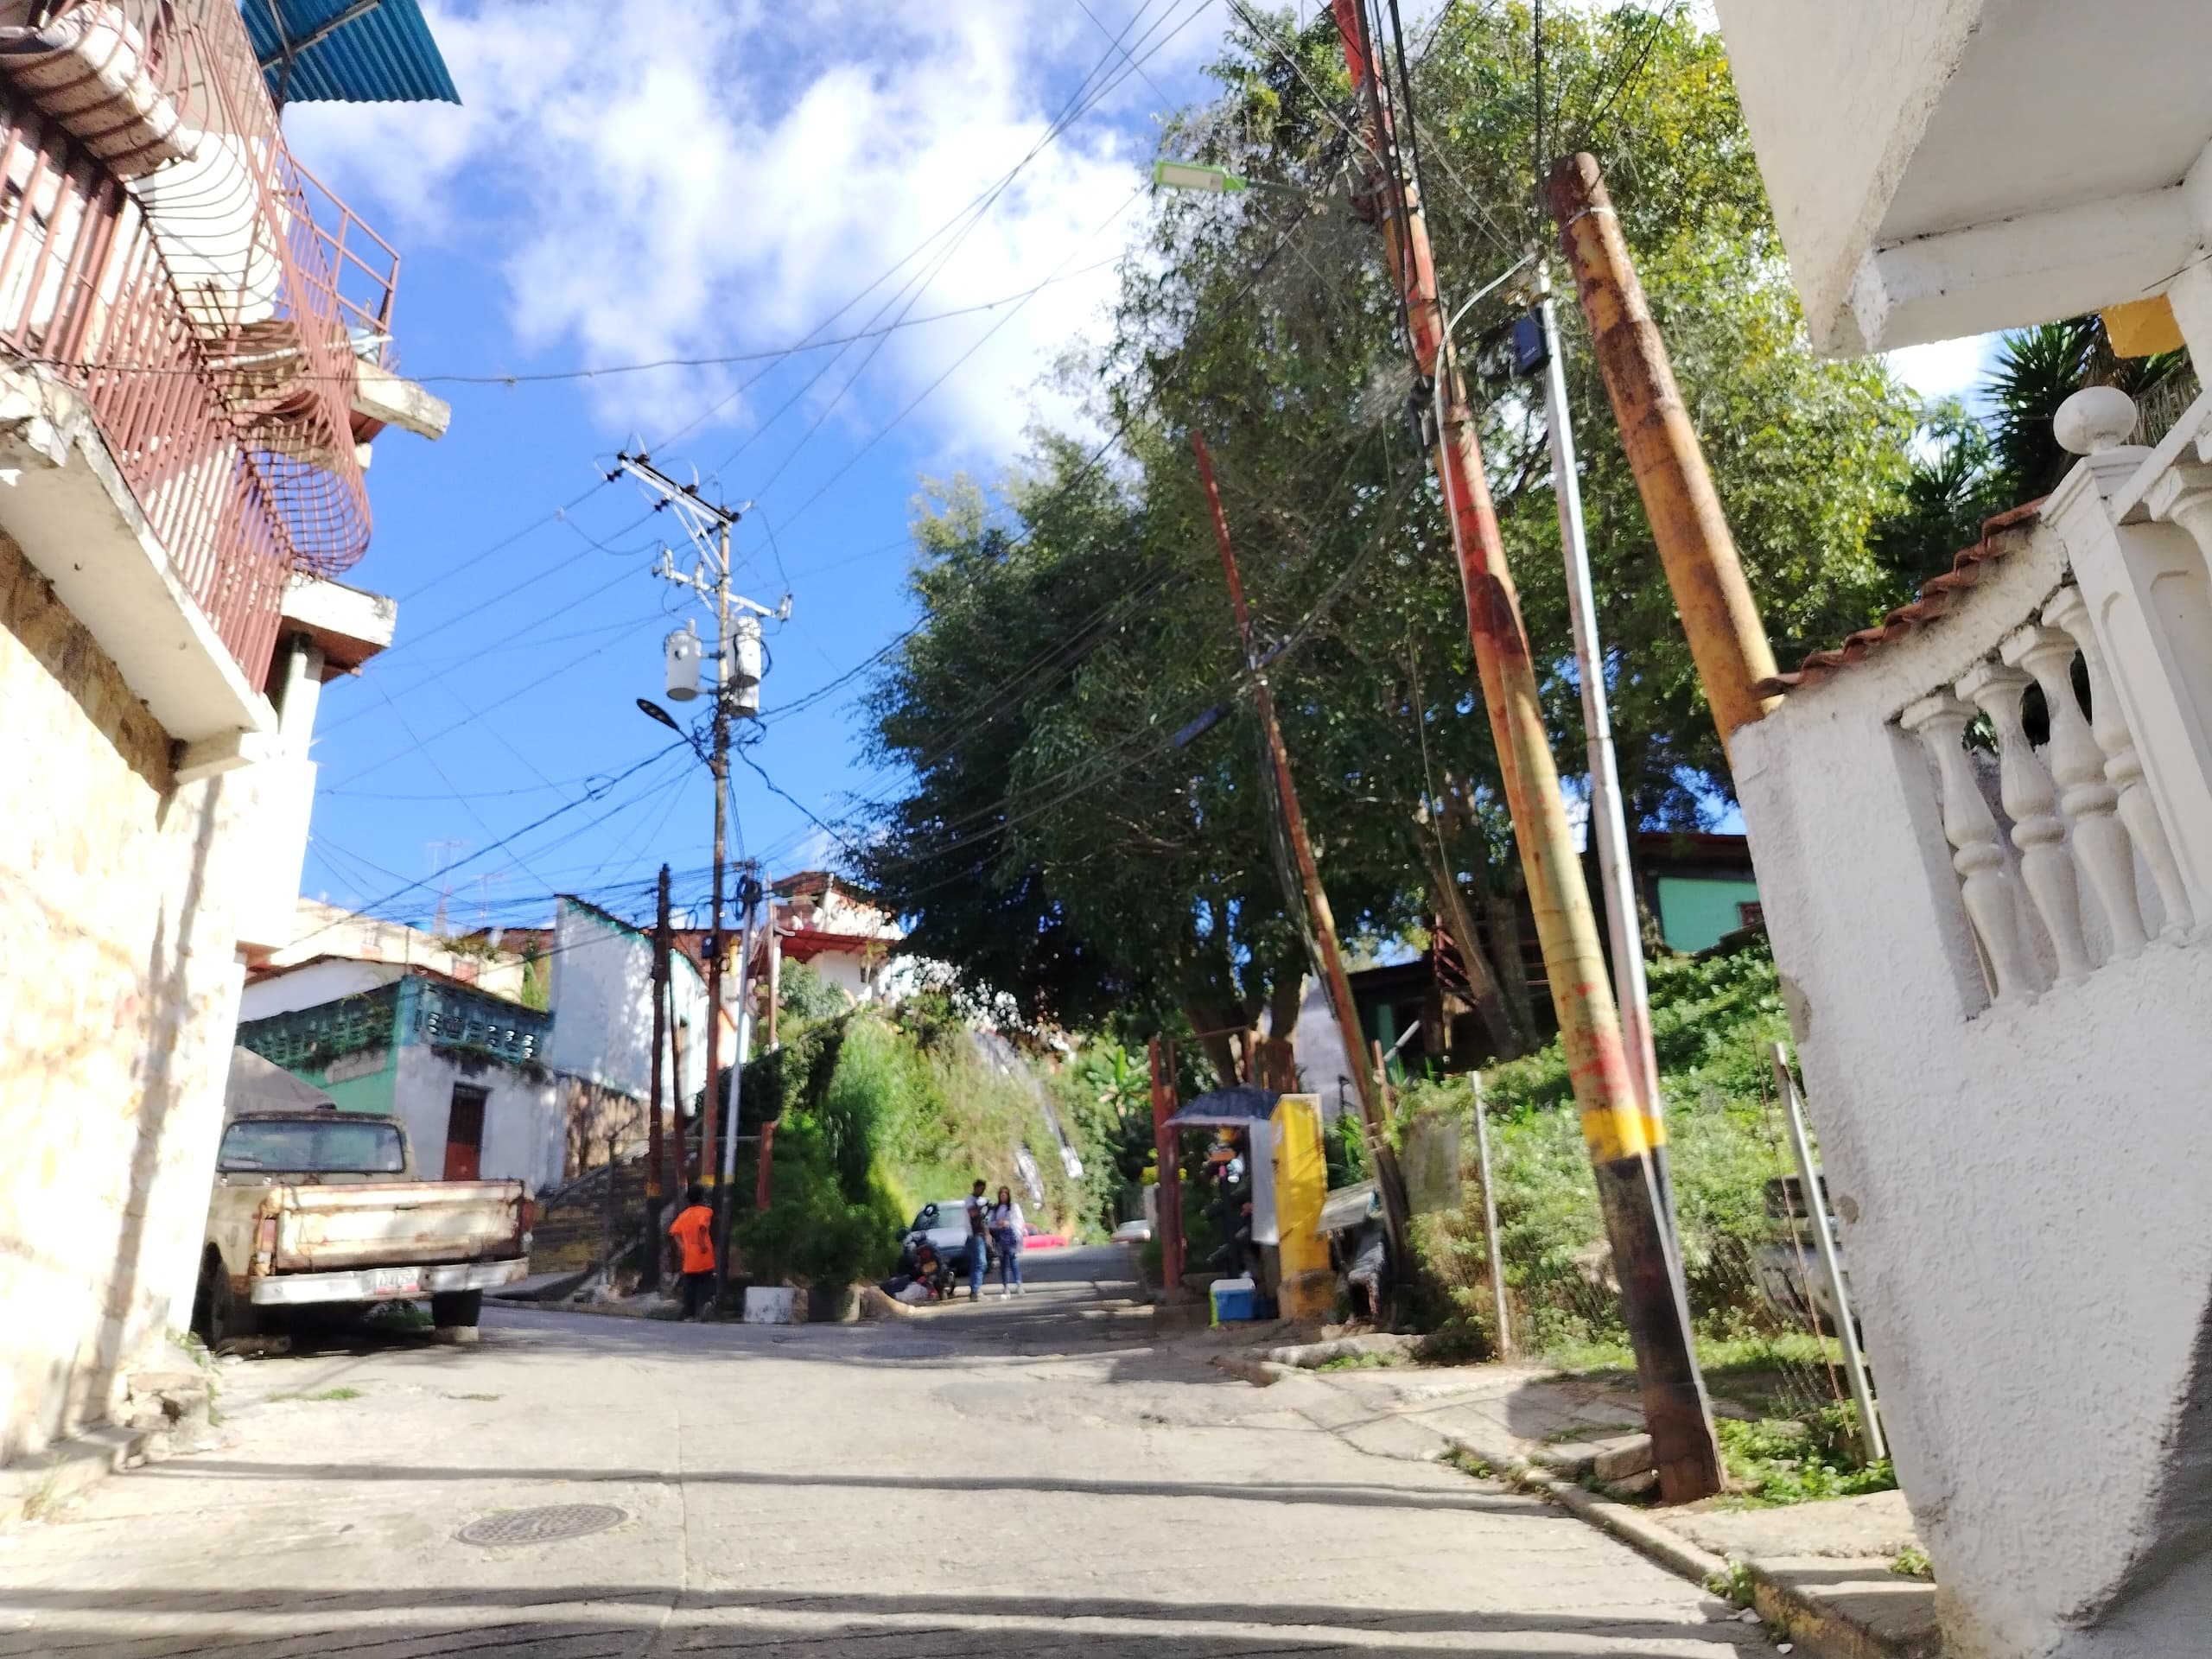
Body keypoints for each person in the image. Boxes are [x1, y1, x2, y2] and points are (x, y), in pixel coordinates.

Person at [669, 1183, 716, 1321]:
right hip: (703, 1253)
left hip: (689, 1255)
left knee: (690, 1285)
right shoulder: (706, 1211)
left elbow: (674, 1231)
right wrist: (702, 1244)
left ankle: (690, 1314)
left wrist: (681, 1247)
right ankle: (706, 1305)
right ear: (702, 1197)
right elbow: (702, 1227)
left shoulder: (684, 1215)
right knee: (706, 1280)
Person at [988, 1185, 1025, 1297]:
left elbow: (1019, 1221)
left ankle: (1019, 1284)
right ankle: (1005, 1286)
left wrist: (1008, 1223)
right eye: (1001, 1193)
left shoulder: (1013, 1207)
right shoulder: (995, 1209)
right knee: (1003, 1262)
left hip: (1010, 1235)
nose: (1003, 1195)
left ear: (1008, 1195)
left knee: (1013, 1259)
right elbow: (989, 1223)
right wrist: (997, 1224)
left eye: (1005, 1193)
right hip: (999, 1236)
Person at [963, 1178, 990, 1300]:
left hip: (980, 1234)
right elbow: (973, 1213)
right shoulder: (970, 1200)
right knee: (980, 1262)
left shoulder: (977, 1200)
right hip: (974, 1235)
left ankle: (975, 1289)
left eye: (983, 1189)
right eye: (980, 1188)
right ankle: (975, 1290)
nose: (982, 1191)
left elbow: (983, 1219)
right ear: (975, 1187)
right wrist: (983, 1207)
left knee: (979, 1263)